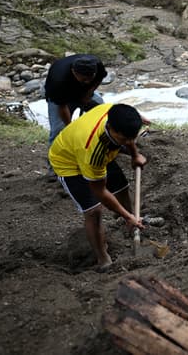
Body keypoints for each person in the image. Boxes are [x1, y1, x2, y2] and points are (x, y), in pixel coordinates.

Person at [49, 103, 146, 271]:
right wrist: (126, 215)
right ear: (110, 127)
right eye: (123, 139)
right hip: (69, 161)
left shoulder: (117, 114)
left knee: (121, 187)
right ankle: (103, 258)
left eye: (132, 137)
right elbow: (100, 191)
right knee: (94, 211)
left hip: (94, 148)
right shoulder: (94, 152)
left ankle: (133, 224)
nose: (128, 142)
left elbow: (129, 138)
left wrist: (135, 155)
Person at [44, 54, 108, 146]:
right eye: (84, 79)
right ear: (74, 72)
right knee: (59, 129)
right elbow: (62, 107)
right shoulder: (58, 80)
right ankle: (54, 151)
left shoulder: (97, 65)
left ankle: (102, 142)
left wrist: (89, 93)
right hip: (61, 96)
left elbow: (99, 79)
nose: (88, 81)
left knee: (103, 112)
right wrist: (70, 127)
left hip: (84, 92)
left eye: (90, 78)